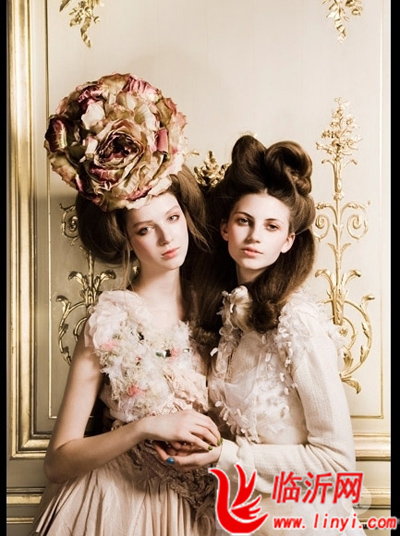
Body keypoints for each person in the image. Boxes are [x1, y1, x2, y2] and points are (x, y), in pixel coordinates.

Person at [29, 72, 222, 536]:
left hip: (198, 507)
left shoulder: (217, 308)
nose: (166, 237)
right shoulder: (110, 321)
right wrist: (144, 427)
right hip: (118, 505)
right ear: (128, 240)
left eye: (172, 218)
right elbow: (57, 462)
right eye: (145, 229)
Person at [155, 134, 367, 535]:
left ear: (287, 241)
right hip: (239, 520)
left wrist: (226, 456)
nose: (254, 236)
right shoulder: (229, 317)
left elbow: (338, 464)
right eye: (243, 221)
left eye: (271, 226)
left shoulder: (299, 324)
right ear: (224, 228)